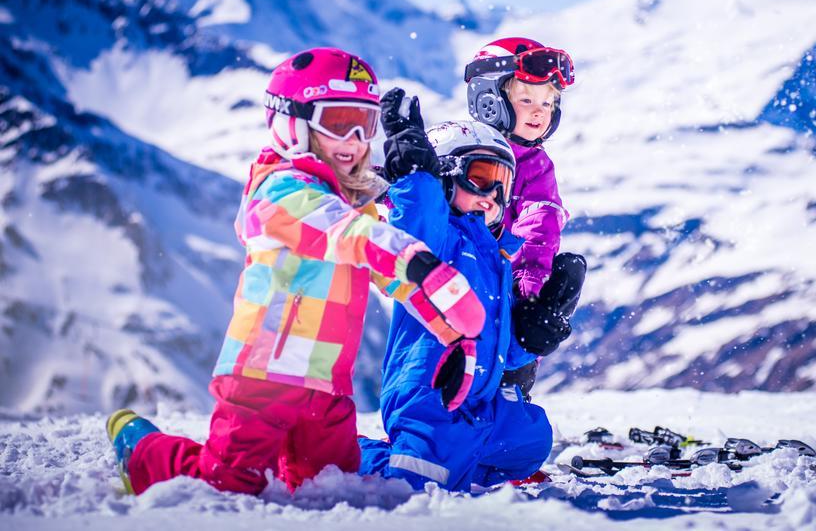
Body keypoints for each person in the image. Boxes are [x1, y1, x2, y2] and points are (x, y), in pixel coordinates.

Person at [105, 48, 486, 496]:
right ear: (292, 122)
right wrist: (417, 261)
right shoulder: (281, 192)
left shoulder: (350, 204)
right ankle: (141, 449)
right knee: (229, 481)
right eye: (338, 122)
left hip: (328, 385)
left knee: (331, 486)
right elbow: (350, 236)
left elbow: (391, 274)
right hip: (262, 376)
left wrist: (454, 334)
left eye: (364, 125)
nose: (354, 139)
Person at [359, 89, 570, 490]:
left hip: (483, 401)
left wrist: (533, 335)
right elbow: (416, 222)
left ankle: (463, 459)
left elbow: (499, 341)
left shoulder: (496, 258)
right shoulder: (439, 243)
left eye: (503, 184)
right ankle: (350, 452)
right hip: (432, 398)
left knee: (531, 441)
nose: (493, 197)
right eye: (482, 178)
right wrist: (416, 175)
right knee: (415, 481)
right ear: (445, 179)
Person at [464, 37, 587, 397]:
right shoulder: (457, 148)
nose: (540, 112)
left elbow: (540, 221)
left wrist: (531, 282)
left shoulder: (535, 166)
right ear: (489, 101)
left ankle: (510, 395)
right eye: (527, 100)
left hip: (511, 289)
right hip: (458, 287)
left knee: (505, 402)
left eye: (549, 103)